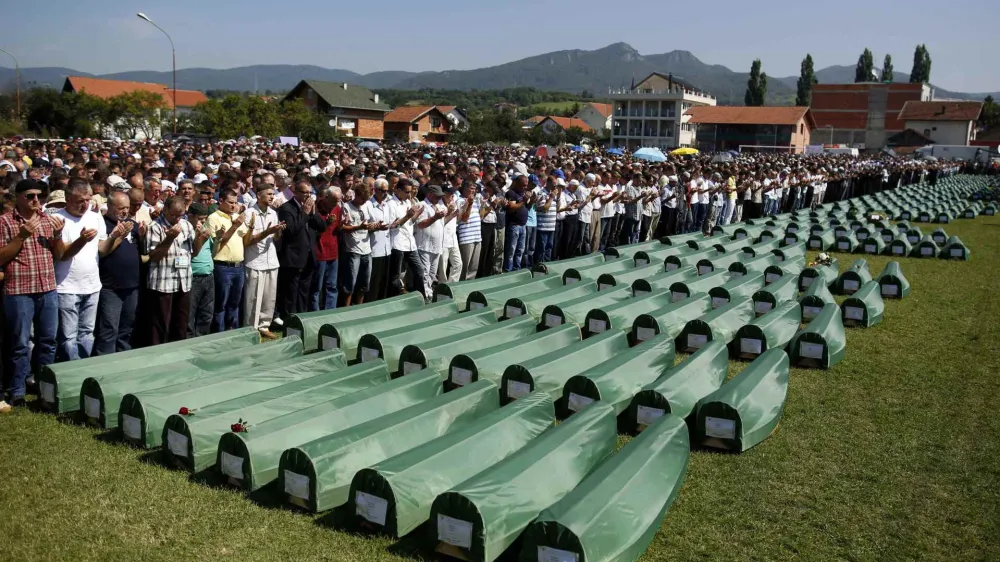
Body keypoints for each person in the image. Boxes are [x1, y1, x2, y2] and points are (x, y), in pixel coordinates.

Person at [0, 180, 67, 411]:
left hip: (47, 288)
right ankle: (17, 389)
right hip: (19, 291)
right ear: (17, 197)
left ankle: (44, 388)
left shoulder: (48, 220)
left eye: (40, 196)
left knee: (48, 342)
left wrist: (58, 236)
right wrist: (20, 237)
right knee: (19, 343)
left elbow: (59, 255)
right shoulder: (5, 222)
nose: (36, 200)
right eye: (30, 196)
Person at [54, 179, 113, 361]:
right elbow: (61, 255)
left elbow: (102, 249)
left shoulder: (95, 217)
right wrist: (81, 240)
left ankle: (83, 369)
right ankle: (72, 373)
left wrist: (117, 236)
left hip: (92, 285)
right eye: (79, 200)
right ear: (68, 198)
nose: (84, 204)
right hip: (67, 287)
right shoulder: (57, 219)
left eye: (87, 199)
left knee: (87, 333)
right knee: (69, 337)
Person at [145, 196, 208, 344]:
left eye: (180, 215)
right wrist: (169, 238)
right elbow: (153, 257)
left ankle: (178, 349)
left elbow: (194, 253)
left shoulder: (186, 225)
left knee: (181, 321)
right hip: (163, 282)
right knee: (161, 323)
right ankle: (158, 353)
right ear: (165, 209)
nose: (177, 218)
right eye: (173, 214)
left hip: (183, 280)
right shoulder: (155, 226)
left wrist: (200, 238)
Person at [93, 192, 142, 355]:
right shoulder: (103, 224)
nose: (125, 212)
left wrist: (144, 235)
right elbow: (102, 252)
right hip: (110, 287)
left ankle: (123, 360)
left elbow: (141, 252)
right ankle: (104, 363)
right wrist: (117, 236)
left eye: (127, 208)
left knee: (126, 328)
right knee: (109, 329)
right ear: (110, 206)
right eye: (121, 208)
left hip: (132, 286)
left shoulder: (132, 225)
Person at [275, 179, 326, 321]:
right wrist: (304, 213)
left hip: (308, 256)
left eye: (310, 192)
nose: (308, 196)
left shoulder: (310, 208)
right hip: (292, 257)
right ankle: (289, 319)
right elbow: (291, 230)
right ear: (296, 192)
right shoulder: (287, 208)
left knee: (304, 291)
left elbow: (322, 226)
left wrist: (314, 213)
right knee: (291, 292)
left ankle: (302, 317)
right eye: (304, 193)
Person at [242, 184, 285, 337]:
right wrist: (267, 231)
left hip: (271, 259)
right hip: (255, 260)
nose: (272, 197)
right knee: (253, 298)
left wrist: (278, 231)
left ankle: (264, 325)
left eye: (273, 194)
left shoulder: (273, 213)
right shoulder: (249, 213)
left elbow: (275, 238)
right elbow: (247, 240)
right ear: (259, 196)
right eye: (269, 194)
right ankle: (250, 329)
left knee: (269, 297)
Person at [206, 189, 249, 332]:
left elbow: (246, 239)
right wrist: (235, 225)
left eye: (235, 202)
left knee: (234, 303)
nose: (233, 206)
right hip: (222, 266)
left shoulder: (237, 217)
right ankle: (219, 333)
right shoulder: (213, 218)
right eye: (230, 202)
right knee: (221, 304)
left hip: (239, 266)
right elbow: (218, 241)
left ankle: (232, 331)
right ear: (221, 201)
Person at [385, 179, 423, 296]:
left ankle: (420, 296)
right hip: (397, 244)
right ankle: (394, 298)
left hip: (410, 243)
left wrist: (416, 214)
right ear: (398, 190)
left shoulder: (407, 202)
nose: (409, 195)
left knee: (419, 271)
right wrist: (408, 216)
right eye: (406, 192)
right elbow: (393, 225)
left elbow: (410, 222)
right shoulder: (390, 204)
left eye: (410, 192)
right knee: (396, 276)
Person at [340, 182, 374, 307]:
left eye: (366, 199)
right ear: (357, 195)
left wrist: (375, 226)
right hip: (353, 249)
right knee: (350, 283)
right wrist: (359, 226)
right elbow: (343, 227)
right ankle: (346, 308)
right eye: (363, 199)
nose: (364, 202)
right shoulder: (347, 207)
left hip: (366, 248)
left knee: (364, 283)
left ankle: (359, 307)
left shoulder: (366, 206)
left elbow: (369, 223)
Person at [311, 186, 341, 311]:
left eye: (338, 200)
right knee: (316, 287)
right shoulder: (316, 208)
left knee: (332, 286)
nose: (336, 203)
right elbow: (312, 233)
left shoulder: (337, 208)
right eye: (334, 200)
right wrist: (326, 223)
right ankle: (315, 312)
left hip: (333, 252)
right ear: (326, 197)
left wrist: (342, 224)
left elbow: (337, 230)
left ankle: (330, 311)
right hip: (320, 253)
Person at [415, 184, 447, 299]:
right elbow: (420, 224)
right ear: (429, 194)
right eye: (437, 196)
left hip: (437, 246)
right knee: (425, 273)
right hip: (425, 245)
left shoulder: (439, 206)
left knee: (432, 274)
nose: (439, 198)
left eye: (440, 196)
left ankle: (429, 293)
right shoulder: (422, 205)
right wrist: (435, 217)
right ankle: (425, 295)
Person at [187, 203, 214, 338]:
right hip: (193, 277)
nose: (203, 222)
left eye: (205, 219)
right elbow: (192, 252)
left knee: (206, 314)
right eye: (200, 218)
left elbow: (211, 250)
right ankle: (189, 342)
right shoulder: (186, 230)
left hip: (208, 275)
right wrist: (200, 238)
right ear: (190, 216)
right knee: (190, 315)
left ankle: (202, 341)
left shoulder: (206, 229)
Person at [367, 178, 393, 301]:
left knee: (384, 281)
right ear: (375, 190)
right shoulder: (369, 205)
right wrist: (377, 227)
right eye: (382, 191)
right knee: (374, 282)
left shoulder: (387, 205)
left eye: (387, 191)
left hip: (386, 248)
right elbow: (364, 227)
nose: (385, 193)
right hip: (374, 249)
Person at [456, 181, 482, 280]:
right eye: (471, 188)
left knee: (474, 266)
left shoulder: (476, 200)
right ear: (465, 189)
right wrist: (469, 203)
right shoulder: (460, 201)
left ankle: (470, 284)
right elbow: (464, 218)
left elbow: (481, 217)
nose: (473, 191)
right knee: (465, 265)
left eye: (474, 189)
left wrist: (483, 205)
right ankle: (461, 284)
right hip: (466, 237)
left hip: (477, 236)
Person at [437, 186, 463, 282]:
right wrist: (449, 212)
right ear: (444, 194)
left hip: (453, 239)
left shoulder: (454, 204)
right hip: (443, 240)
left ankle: (452, 285)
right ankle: (442, 287)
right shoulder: (439, 206)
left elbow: (457, 221)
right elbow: (439, 223)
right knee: (443, 267)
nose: (451, 196)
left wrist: (463, 209)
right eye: (449, 193)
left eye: (453, 194)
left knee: (458, 264)